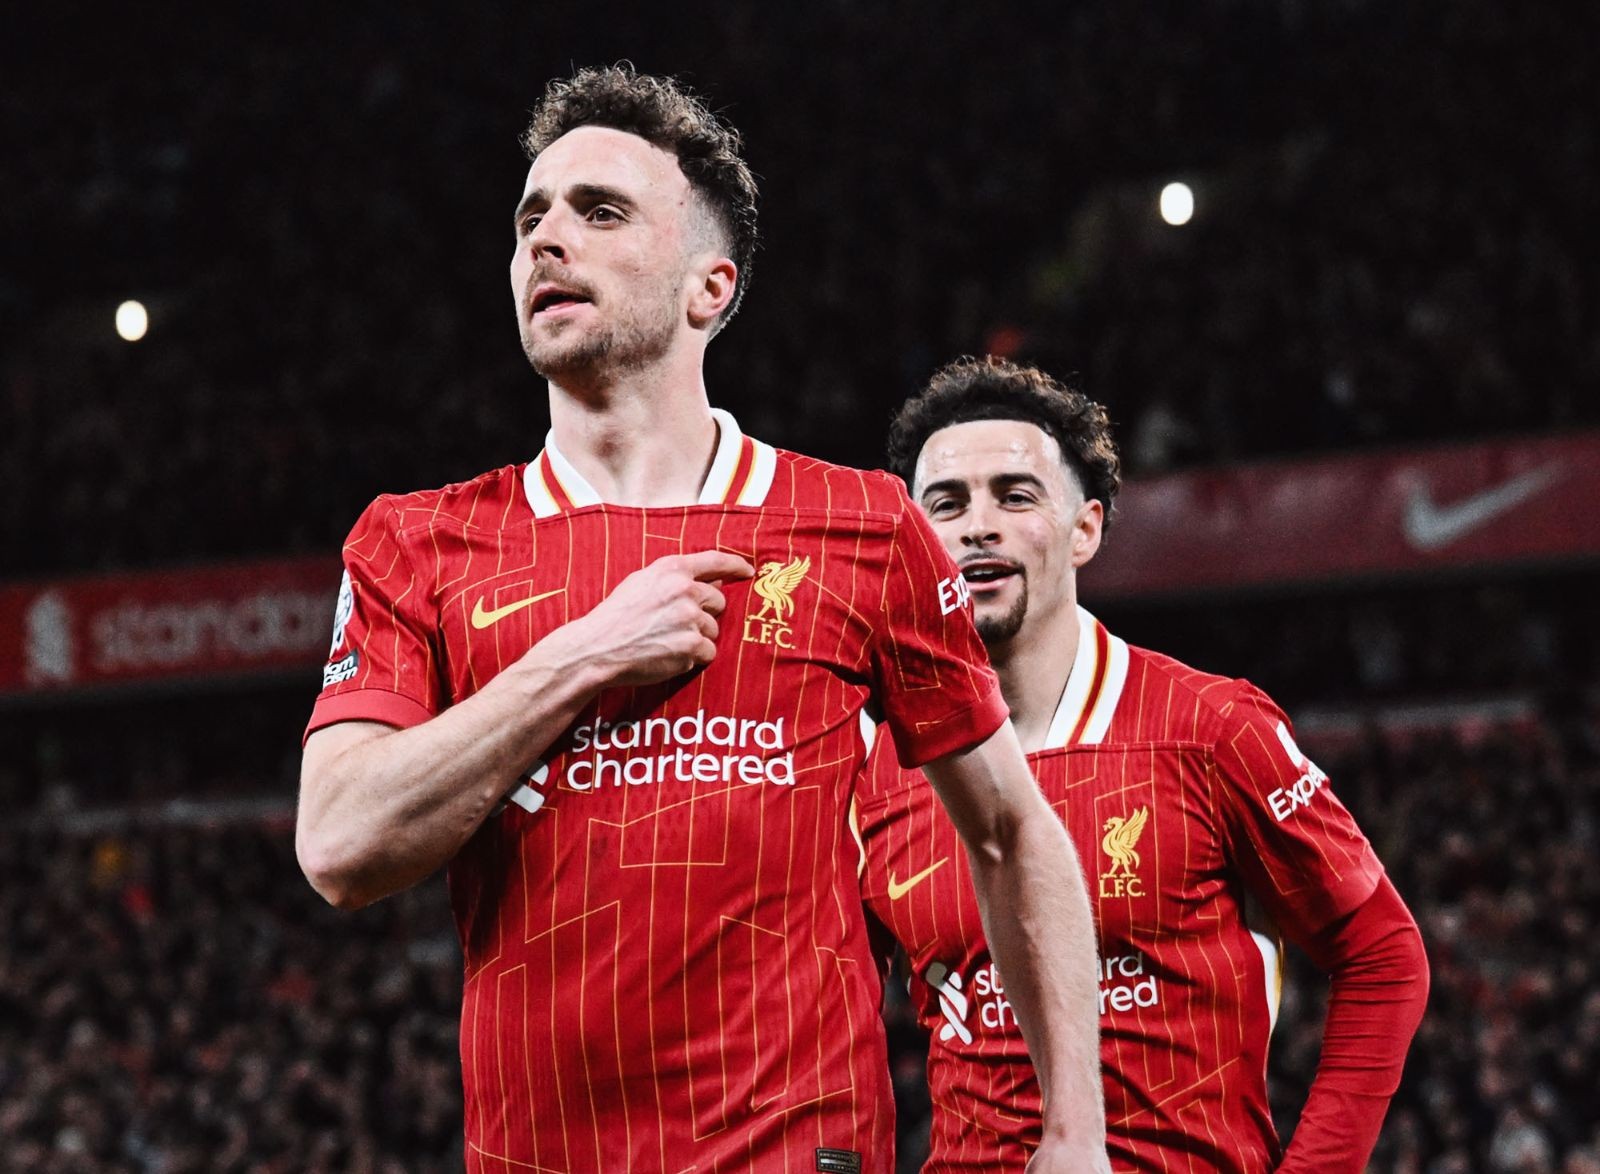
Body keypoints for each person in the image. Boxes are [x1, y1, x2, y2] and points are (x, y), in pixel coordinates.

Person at [295, 67, 1108, 1173]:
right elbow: (339, 845)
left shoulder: (862, 524)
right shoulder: (416, 540)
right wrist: (584, 656)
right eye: (531, 219)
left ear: (708, 288)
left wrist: (1073, 1131)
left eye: (600, 213)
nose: (547, 241)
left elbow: (1011, 831)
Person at [856, 356, 1430, 1171]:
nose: (977, 525)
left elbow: (1383, 956)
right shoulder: (877, 769)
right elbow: (827, 1018)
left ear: (1084, 529)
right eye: (946, 504)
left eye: (1015, 496)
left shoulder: (1211, 727)